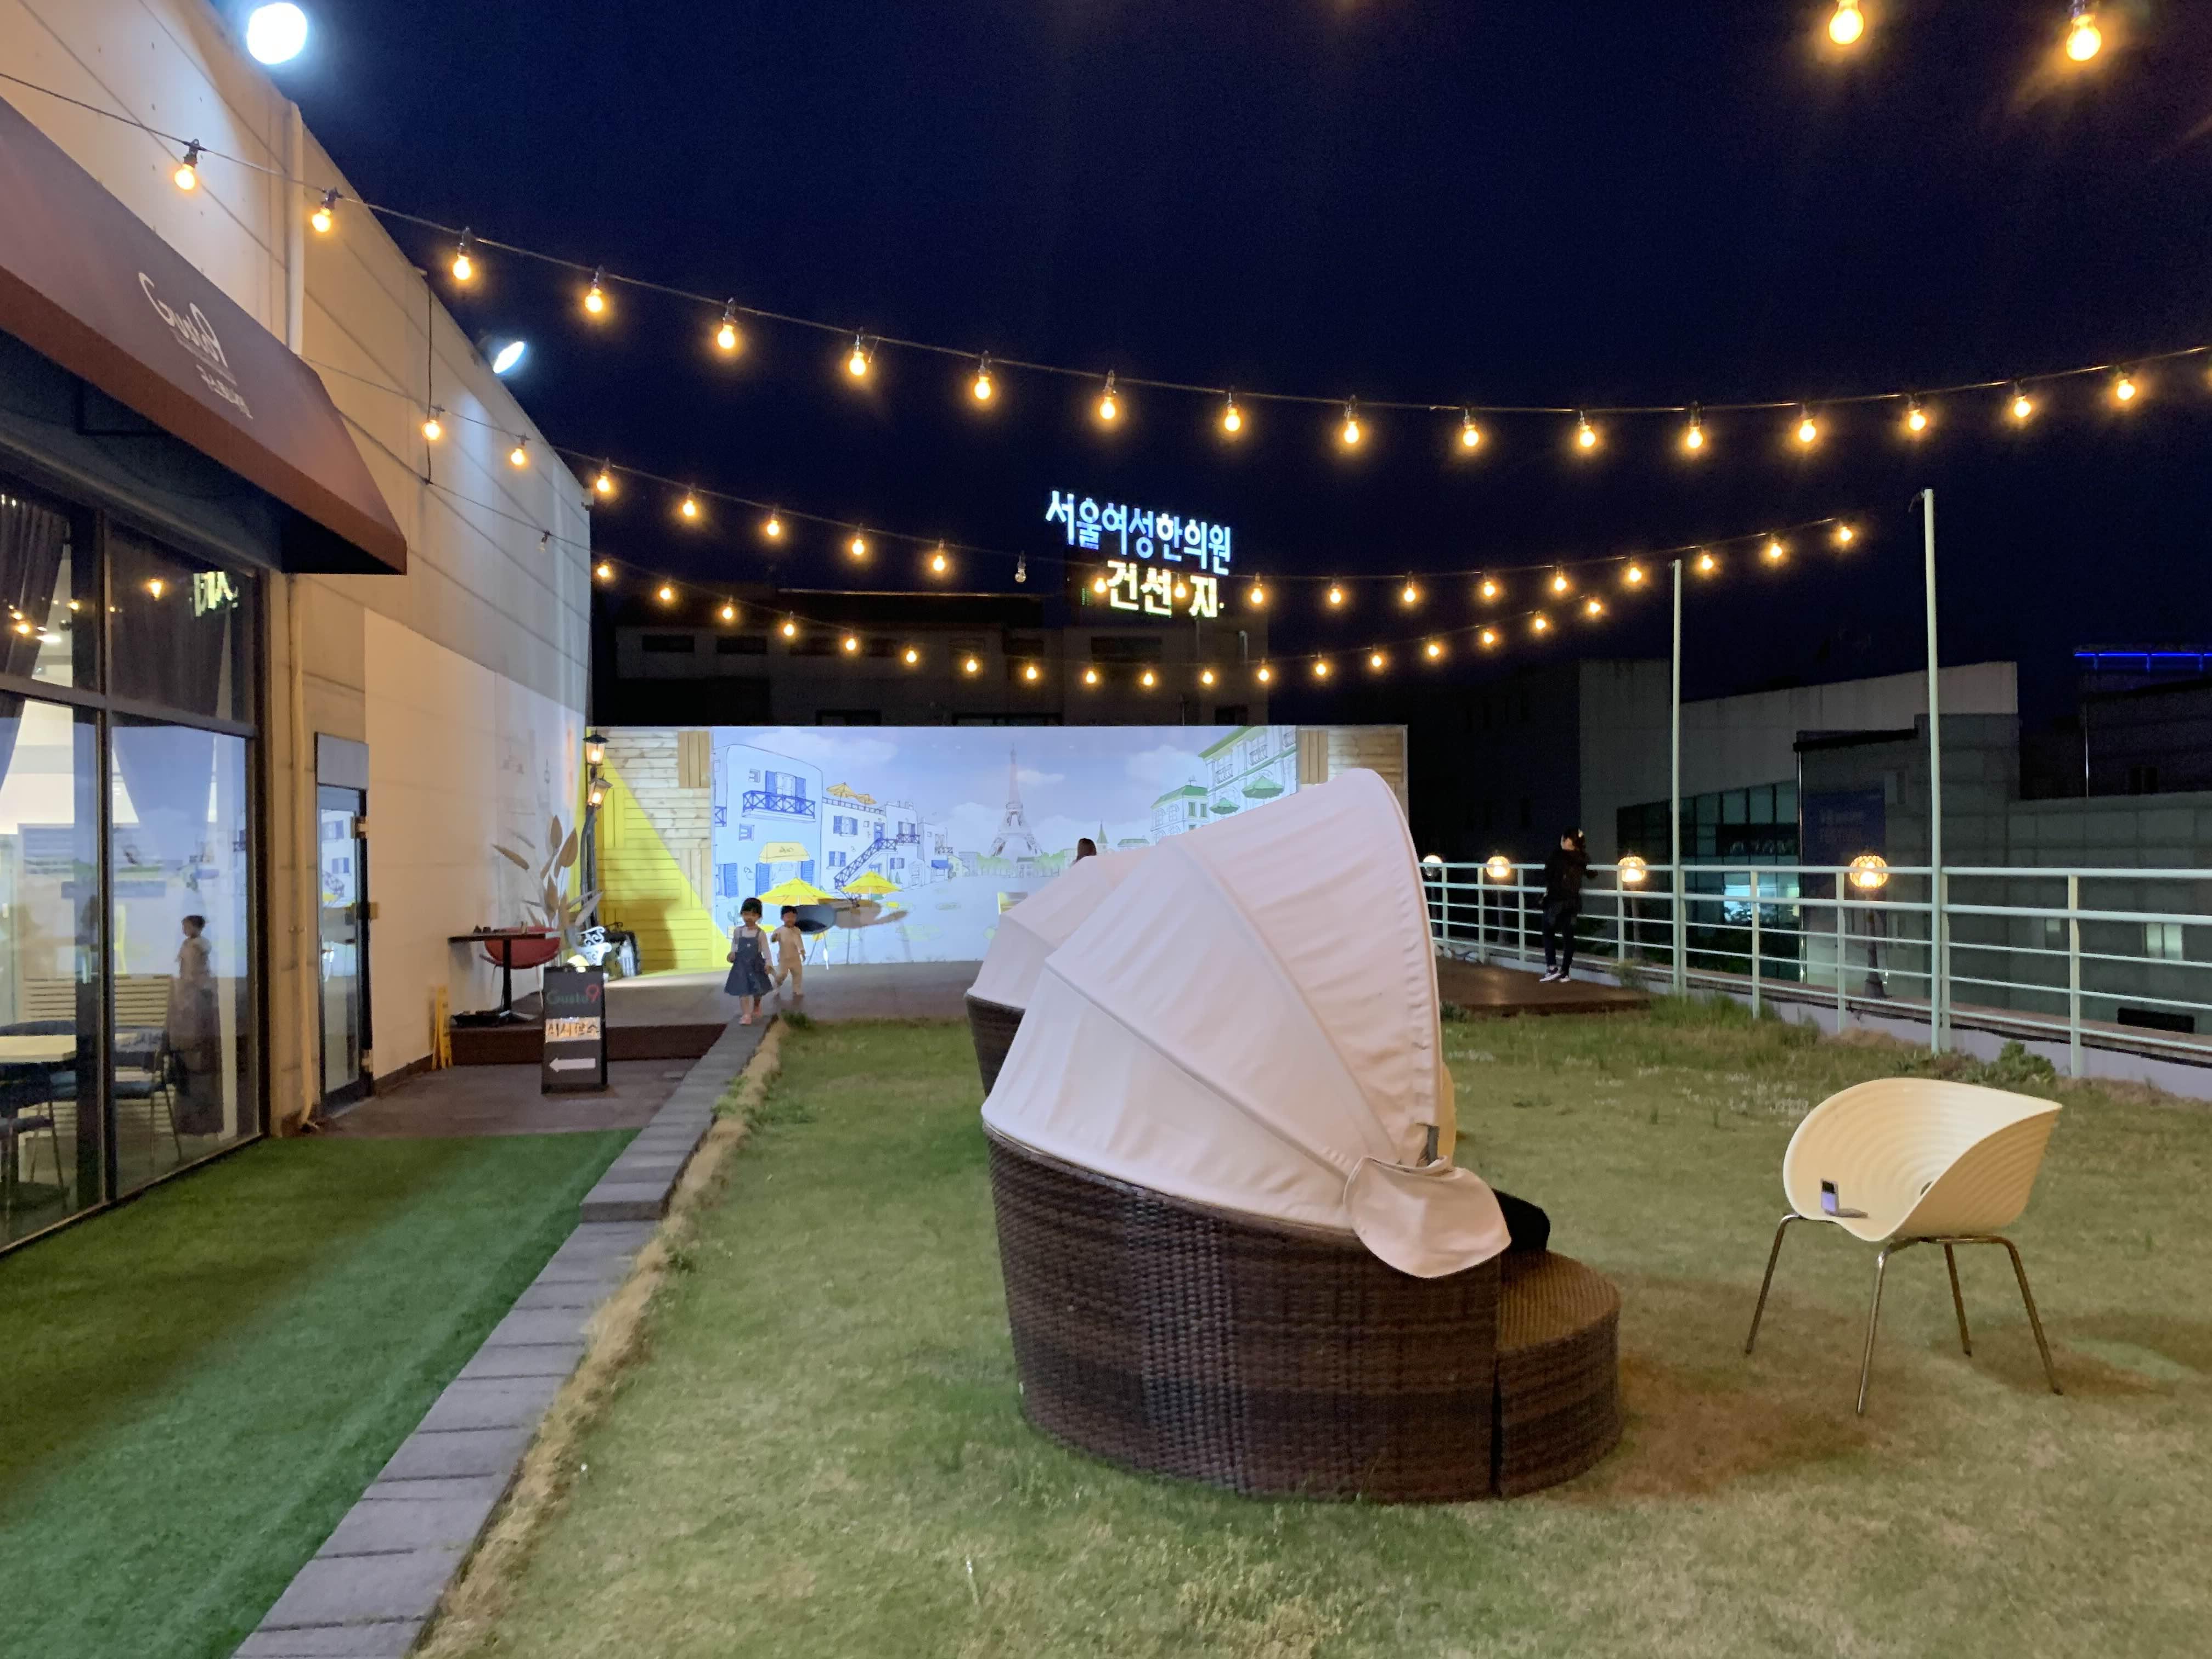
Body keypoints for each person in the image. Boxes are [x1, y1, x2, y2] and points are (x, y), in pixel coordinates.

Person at [166, 914, 222, 1134]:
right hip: (186, 1032)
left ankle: (200, 1121)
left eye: (187, 926)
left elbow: (195, 978)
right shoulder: (188, 948)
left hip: (195, 1030)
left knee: (198, 1074)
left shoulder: (199, 949)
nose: (184, 930)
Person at [1538, 830, 1588, 984]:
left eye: (1563, 839)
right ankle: (1565, 972)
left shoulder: (1558, 856)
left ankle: (1552, 968)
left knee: (1548, 931)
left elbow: (1549, 876)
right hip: (1573, 902)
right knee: (1568, 937)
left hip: (1557, 900)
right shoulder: (1581, 858)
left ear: (1568, 841)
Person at [724, 898, 774, 1024]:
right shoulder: (738, 931)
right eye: (746, 914)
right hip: (741, 966)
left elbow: (766, 950)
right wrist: (732, 954)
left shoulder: (761, 933)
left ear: (759, 917)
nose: (749, 918)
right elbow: (735, 945)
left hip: (756, 965)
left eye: (753, 915)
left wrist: (768, 963)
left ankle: (757, 1006)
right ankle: (746, 1015)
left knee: (758, 989)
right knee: (743, 990)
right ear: (741, 914)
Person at [770, 904, 806, 1000]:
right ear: (782, 918)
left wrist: (802, 952)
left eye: (793, 917)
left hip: (795, 958)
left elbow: (800, 942)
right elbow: (774, 940)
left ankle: (797, 989)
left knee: (798, 974)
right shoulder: (779, 931)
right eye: (788, 917)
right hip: (784, 959)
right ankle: (777, 987)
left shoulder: (797, 930)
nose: (791, 919)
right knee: (781, 975)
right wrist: (774, 938)